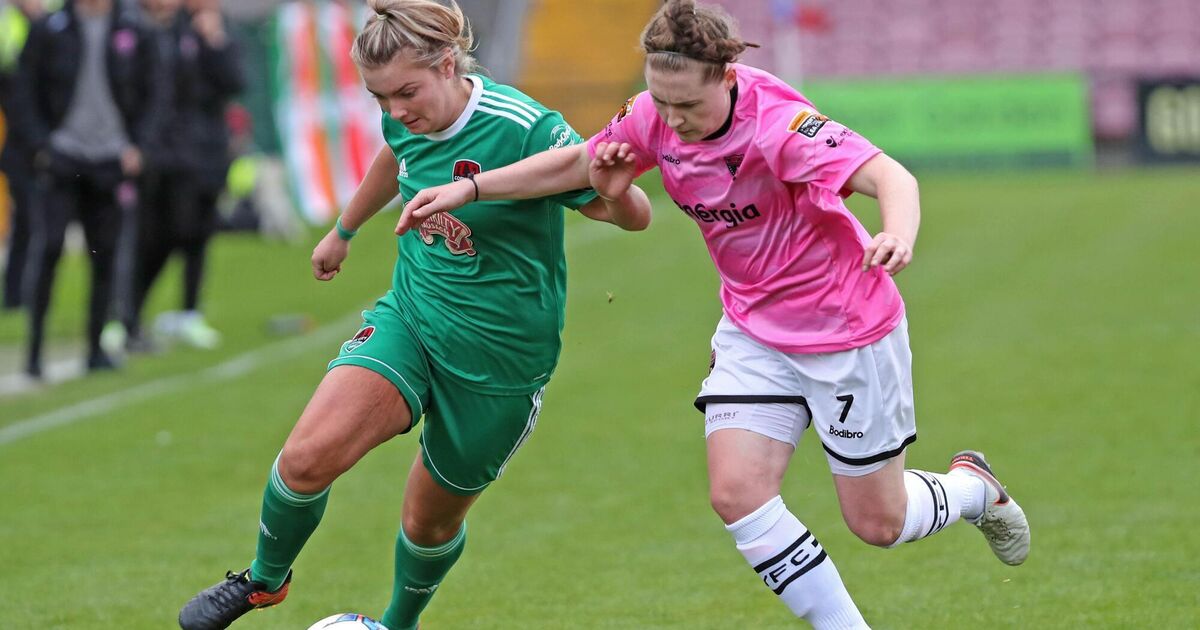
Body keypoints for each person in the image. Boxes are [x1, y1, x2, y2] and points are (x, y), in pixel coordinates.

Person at [400, 1, 1031, 627]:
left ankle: (974, 489)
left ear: (727, 79)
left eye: (688, 106)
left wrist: (898, 233)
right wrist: (471, 187)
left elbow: (891, 175)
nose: (672, 121)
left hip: (844, 330)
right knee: (736, 493)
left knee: (879, 523)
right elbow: (580, 160)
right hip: (754, 331)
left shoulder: (780, 127)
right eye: (661, 102)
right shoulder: (653, 114)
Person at [177, 1, 648, 629]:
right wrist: (343, 230)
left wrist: (620, 191)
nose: (396, 111)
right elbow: (393, 157)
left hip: (500, 362)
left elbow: (628, 212)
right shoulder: (405, 119)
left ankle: (397, 625)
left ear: (447, 64)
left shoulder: (524, 128)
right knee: (304, 459)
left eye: (406, 92)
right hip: (413, 321)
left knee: (428, 523)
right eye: (379, 98)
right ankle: (264, 579)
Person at [7, 0, 162, 376]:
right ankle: (35, 351)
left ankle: (95, 348)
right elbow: (22, 90)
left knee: (106, 255)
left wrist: (139, 146)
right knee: (48, 250)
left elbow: (155, 93)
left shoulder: (134, 28)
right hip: (62, 159)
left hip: (110, 159)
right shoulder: (50, 28)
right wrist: (40, 146)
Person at [124, 0, 244, 351]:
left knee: (199, 236)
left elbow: (234, 81)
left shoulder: (219, 32)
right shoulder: (165, 31)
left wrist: (215, 42)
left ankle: (189, 312)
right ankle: (129, 315)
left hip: (209, 155)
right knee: (162, 236)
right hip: (171, 157)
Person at [0, 0, 49, 310]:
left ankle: (22, 294)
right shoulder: (10, 26)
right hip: (19, 143)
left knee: (34, 221)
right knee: (28, 219)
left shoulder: (49, 24)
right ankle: (16, 294)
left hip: (38, 140)